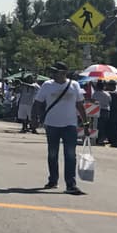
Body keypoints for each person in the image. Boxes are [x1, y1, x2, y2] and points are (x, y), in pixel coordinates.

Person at [34, 62, 89, 195]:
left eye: (56, 71)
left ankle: (71, 184)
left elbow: (80, 105)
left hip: (70, 125)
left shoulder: (74, 85)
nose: (53, 74)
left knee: (70, 155)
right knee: (52, 154)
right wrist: (34, 119)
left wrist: (85, 123)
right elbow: (38, 103)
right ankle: (53, 180)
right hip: (52, 124)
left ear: (64, 73)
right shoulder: (47, 85)